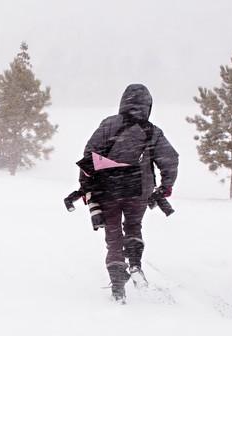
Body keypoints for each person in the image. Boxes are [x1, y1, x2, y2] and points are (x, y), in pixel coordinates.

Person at [75, 84, 179, 302]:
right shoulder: (152, 131)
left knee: (113, 236)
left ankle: (117, 288)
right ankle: (135, 264)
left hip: (108, 189)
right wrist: (165, 186)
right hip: (138, 189)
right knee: (133, 227)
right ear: (147, 106)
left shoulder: (108, 125)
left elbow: (89, 155)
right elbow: (169, 159)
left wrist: (86, 186)